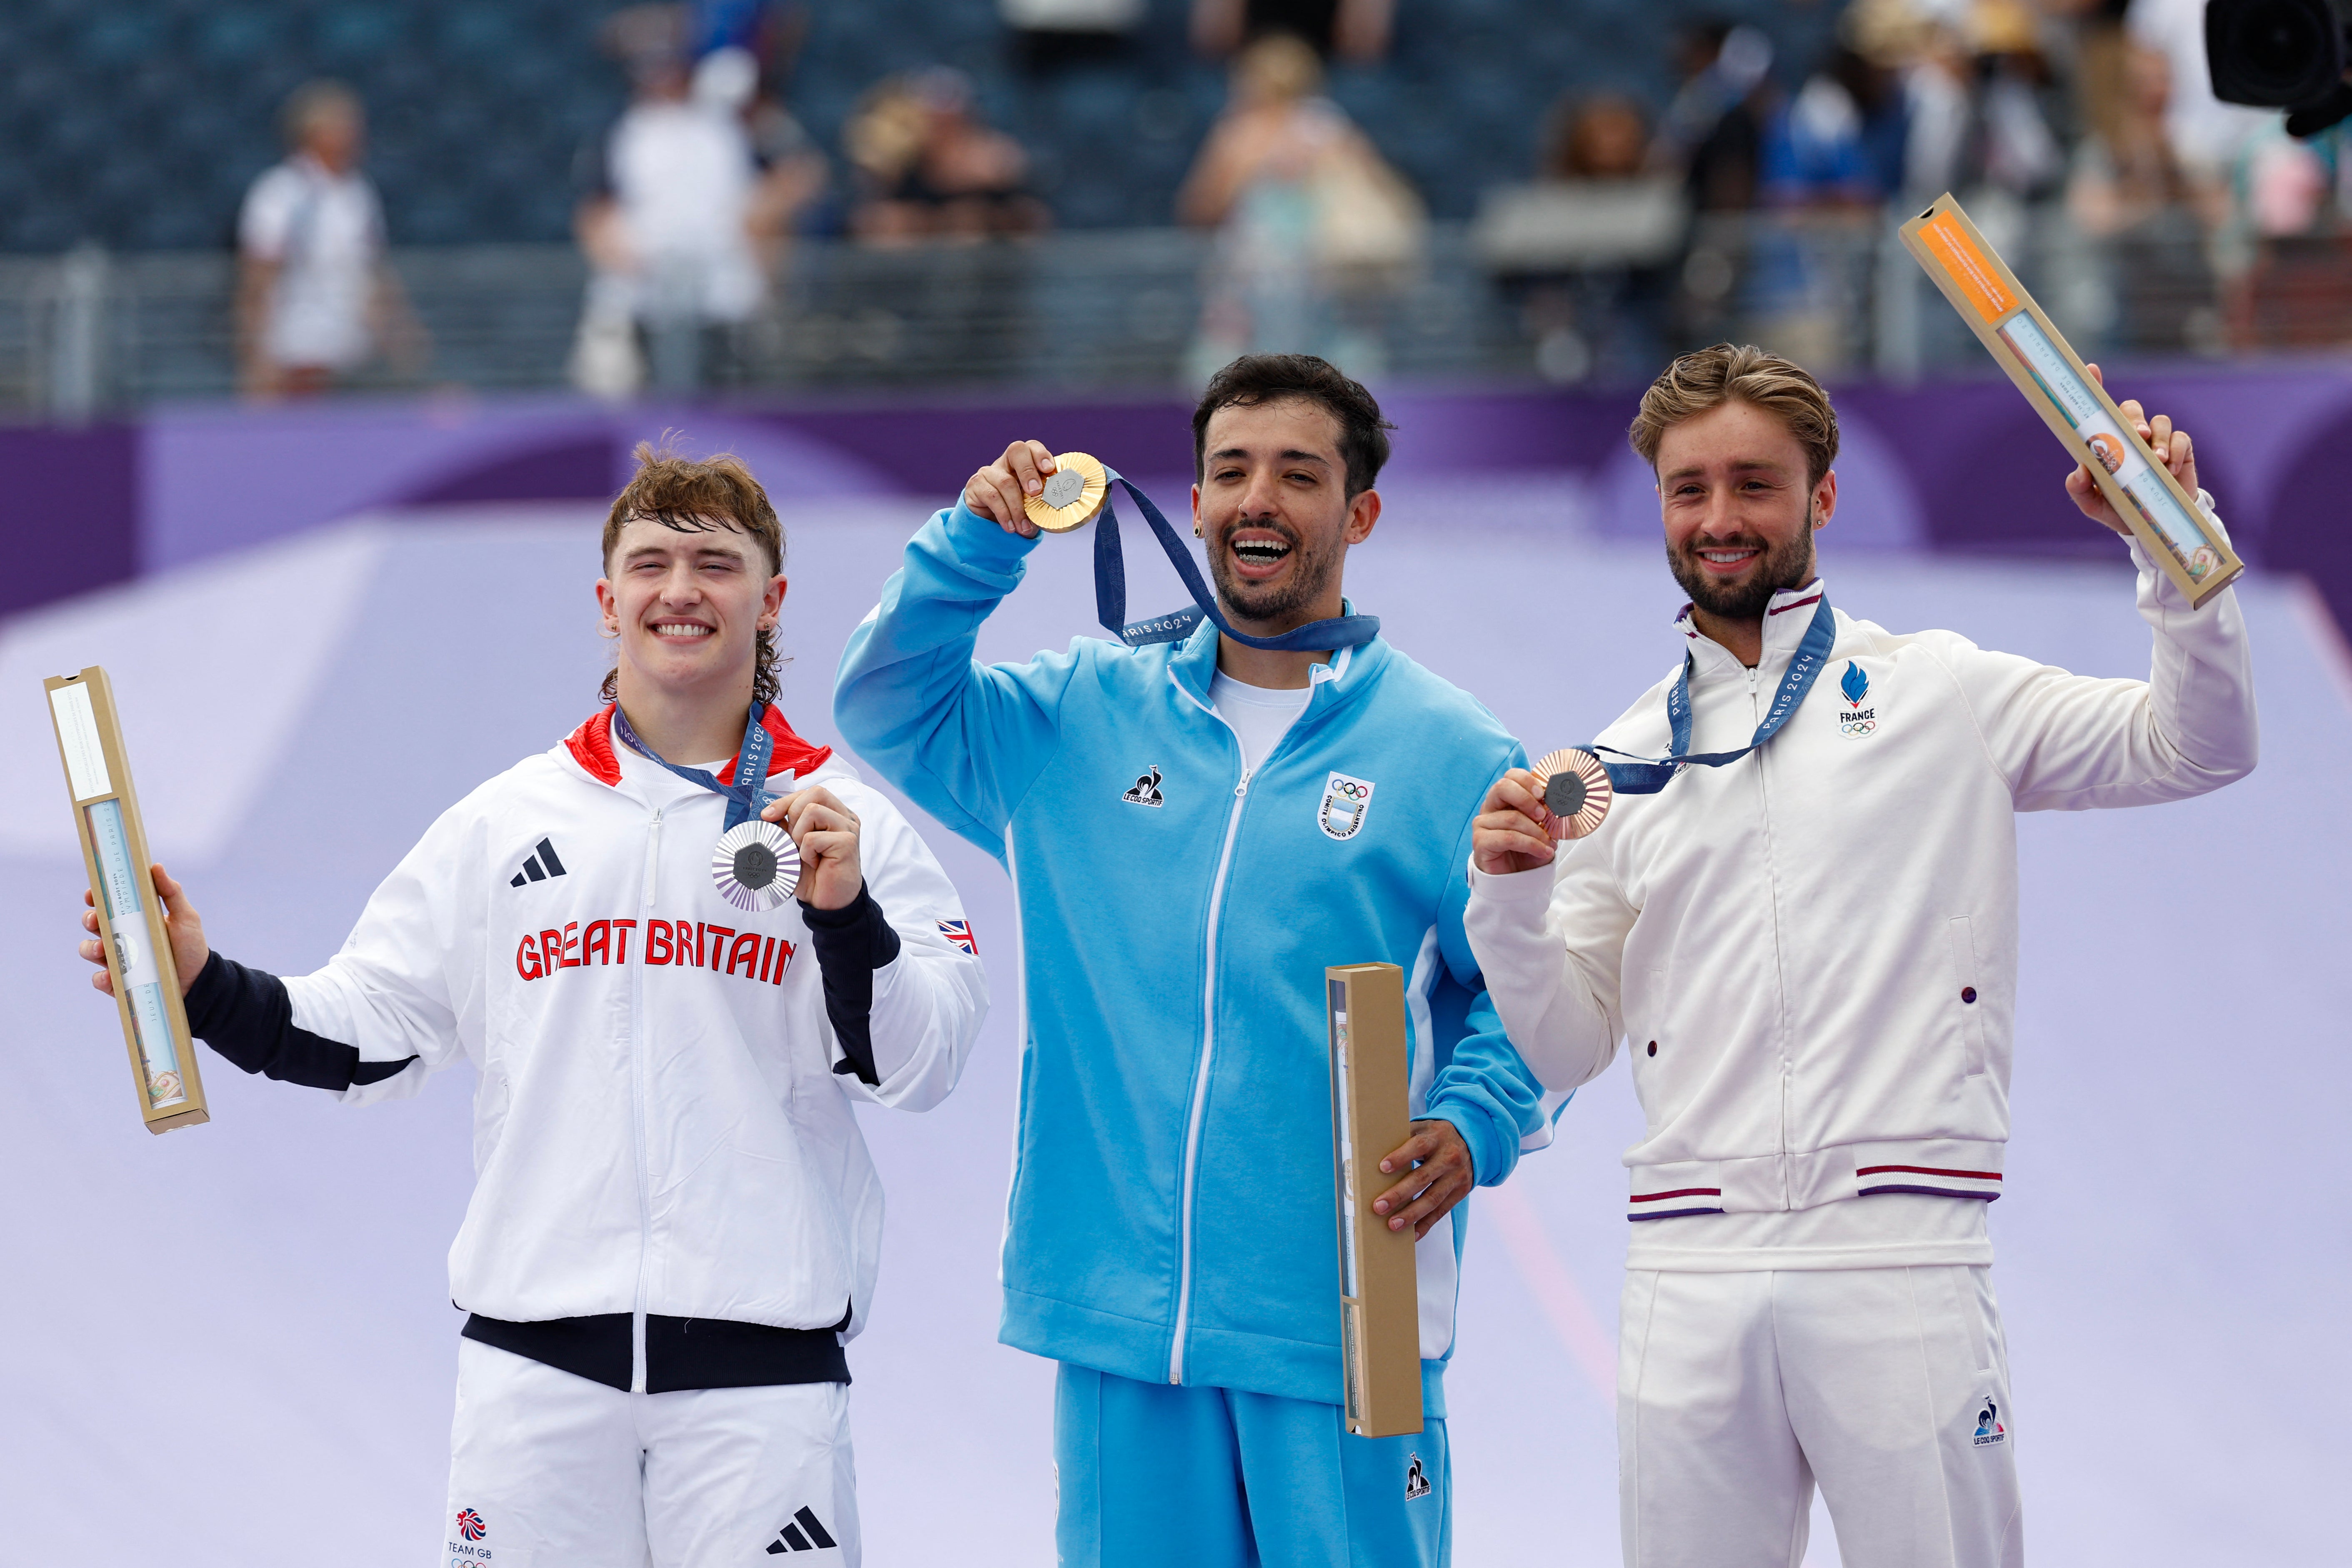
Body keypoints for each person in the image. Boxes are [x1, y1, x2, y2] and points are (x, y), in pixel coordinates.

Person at [75, 446, 989, 1567]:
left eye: (715, 561)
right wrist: (201, 983)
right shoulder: (503, 822)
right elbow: (367, 1028)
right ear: (609, 604)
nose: (680, 588)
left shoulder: (850, 820)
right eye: (650, 563)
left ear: (772, 598)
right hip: (534, 1382)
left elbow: (924, 1062)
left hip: (762, 1386)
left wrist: (847, 916)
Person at [1462, 343, 2257, 1567]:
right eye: (1690, 490)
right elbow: (1567, 1043)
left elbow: (2197, 745)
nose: (1720, 518)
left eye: (1754, 484)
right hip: (1686, 1268)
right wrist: (1508, 906)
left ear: (1822, 497)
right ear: (1661, 507)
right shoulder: (1612, 762)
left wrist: (2170, 544)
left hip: (1898, 1256)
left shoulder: (1942, 691)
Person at [832, 353, 1551, 1568]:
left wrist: (1477, 1120)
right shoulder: (1081, 717)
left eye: (1298, 474)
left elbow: (1539, 984)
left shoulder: (1448, 749)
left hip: (1344, 1325)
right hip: (1120, 1331)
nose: (1256, 498)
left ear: (1359, 513)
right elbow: (889, 702)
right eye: (1230, 471)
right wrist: (977, 544)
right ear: (1199, 499)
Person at [235, 80, 424, 399]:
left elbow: (372, 268)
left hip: (351, 352)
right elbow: (258, 276)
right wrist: (257, 355)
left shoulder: (358, 192)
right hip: (295, 350)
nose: (356, 136)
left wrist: (402, 332)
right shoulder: (280, 193)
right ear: (313, 134)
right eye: (344, 127)